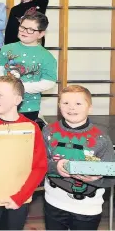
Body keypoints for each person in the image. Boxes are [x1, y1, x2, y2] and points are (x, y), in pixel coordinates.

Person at [0, 75, 47, 230]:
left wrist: (20, 197)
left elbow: (39, 167)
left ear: (17, 100)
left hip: (17, 198)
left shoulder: (31, 128)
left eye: (0, 95)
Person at [43, 85, 115, 230]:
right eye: (66, 103)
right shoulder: (47, 131)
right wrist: (55, 167)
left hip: (87, 208)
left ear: (90, 108)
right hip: (53, 203)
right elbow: (38, 163)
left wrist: (97, 178)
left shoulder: (101, 138)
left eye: (78, 103)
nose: (71, 108)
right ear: (59, 106)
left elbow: (111, 176)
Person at [0, 11, 57, 121]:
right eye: (22, 27)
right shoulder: (6, 48)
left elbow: (49, 82)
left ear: (41, 34)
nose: (24, 31)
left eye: (31, 30)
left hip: (29, 107)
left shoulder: (46, 56)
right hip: (2, 103)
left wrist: (21, 88)